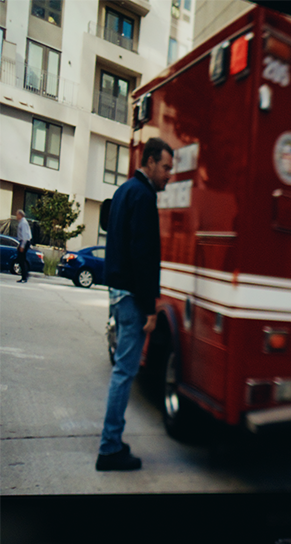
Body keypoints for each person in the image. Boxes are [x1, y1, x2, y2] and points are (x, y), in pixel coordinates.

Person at [96, 138, 172, 473]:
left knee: (122, 373)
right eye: (166, 167)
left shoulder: (125, 190)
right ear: (152, 161)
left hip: (118, 293)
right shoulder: (143, 196)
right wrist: (151, 308)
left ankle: (112, 442)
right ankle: (110, 448)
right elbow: (143, 256)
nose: (169, 175)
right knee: (124, 374)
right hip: (131, 299)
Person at [11, 209, 31, 282]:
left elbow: (25, 236)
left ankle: (25, 276)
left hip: (24, 242)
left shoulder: (23, 223)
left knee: (21, 259)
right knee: (21, 259)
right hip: (22, 241)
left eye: (17, 215)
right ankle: (24, 275)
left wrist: (22, 246)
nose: (16, 216)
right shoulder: (21, 222)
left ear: (20, 215)